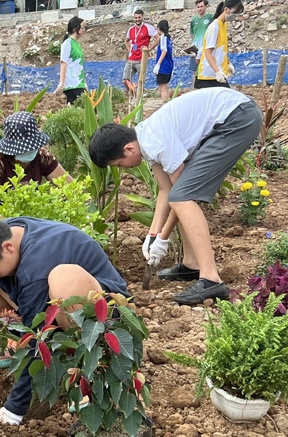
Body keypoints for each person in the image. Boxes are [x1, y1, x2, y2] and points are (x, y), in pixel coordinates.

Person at [0, 215, 129, 425]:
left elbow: (38, 338)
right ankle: (21, 340)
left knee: (63, 281)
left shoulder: (37, 267)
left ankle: (90, 370)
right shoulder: (5, 232)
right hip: (50, 306)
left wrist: (14, 409)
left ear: (8, 248)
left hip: (105, 314)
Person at [88, 88, 262, 305]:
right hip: (235, 116)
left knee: (183, 197)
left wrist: (163, 238)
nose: (121, 169)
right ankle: (191, 264)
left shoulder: (156, 141)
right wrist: (153, 234)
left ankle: (211, 279)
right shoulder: (146, 140)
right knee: (179, 196)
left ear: (129, 148)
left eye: (118, 164)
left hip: (237, 118)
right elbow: (166, 190)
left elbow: (182, 194)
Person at [0, 112, 68, 222]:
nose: (29, 150)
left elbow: (71, 187)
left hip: (26, 215)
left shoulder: (41, 156)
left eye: (31, 146)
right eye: (24, 148)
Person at [195, 0, 243, 89]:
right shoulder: (214, 27)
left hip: (216, 74)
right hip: (209, 75)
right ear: (226, 10)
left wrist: (228, 63)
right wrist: (218, 72)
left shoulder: (223, 25)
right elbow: (208, 52)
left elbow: (220, 50)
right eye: (235, 13)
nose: (236, 16)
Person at [123, 10, 156, 102]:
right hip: (131, 58)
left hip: (141, 59)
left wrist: (149, 48)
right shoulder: (131, 29)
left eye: (139, 17)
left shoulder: (148, 28)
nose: (137, 19)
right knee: (125, 80)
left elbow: (157, 38)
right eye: (135, 18)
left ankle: (139, 100)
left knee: (140, 82)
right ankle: (133, 94)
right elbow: (126, 40)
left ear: (142, 17)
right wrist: (128, 48)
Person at [56, 16, 87, 106]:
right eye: (82, 27)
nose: (84, 30)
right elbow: (63, 63)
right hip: (72, 84)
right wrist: (62, 83)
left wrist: (84, 82)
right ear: (74, 28)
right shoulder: (67, 43)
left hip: (79, 83)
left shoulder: (77, 44)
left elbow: (79, 65)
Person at [185, 0, 214, 77]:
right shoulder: (194, 19)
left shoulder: (210, 17)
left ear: (206, 6)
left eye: (201, 6)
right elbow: (192, 34)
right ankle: (195, 88)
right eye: (198, 7)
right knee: (195, 72)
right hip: (195, 49)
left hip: (206, 49)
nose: (199, 9)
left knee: (206, 70)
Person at [153, 19, 174, 104]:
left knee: (162, 87)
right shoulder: (168, 39)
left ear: (158, 28)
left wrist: (158, 64)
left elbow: (164, 51)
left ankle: (164, 104)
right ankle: (167, 103)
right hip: (168, 66)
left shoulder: (163, 39)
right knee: (166, 86)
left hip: (163, 67)